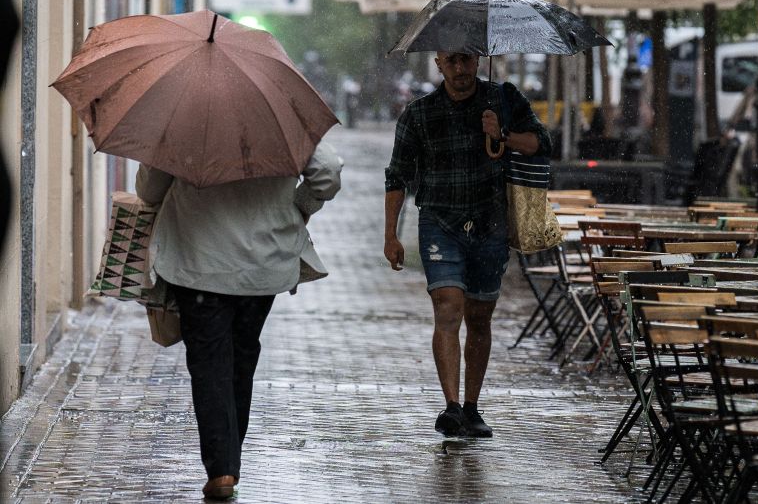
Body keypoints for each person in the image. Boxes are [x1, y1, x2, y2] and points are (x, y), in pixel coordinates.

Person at [136, 141, 342, 500]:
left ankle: (222, 467)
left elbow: (149, 189)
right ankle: (228, 461)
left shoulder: (185, 121)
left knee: (210, 363)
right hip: (263, 263)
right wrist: (300, 204)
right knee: (241, 358)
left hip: (198, 262)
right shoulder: (279, 118)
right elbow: (326, 173)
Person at [383, 52, 551, 437]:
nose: (460, 69)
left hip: (491, 225)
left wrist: (501, 134)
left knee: (479, 316)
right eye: (451, 62)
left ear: (478, 60)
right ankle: (452, 407)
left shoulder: (504, 100)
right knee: (448, 307)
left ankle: (472, 407)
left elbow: (541, 144)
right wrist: (390, 234)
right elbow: (397, 175)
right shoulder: (418, 113)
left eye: (466, 60)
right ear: (438, 63)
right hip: (440, 223)